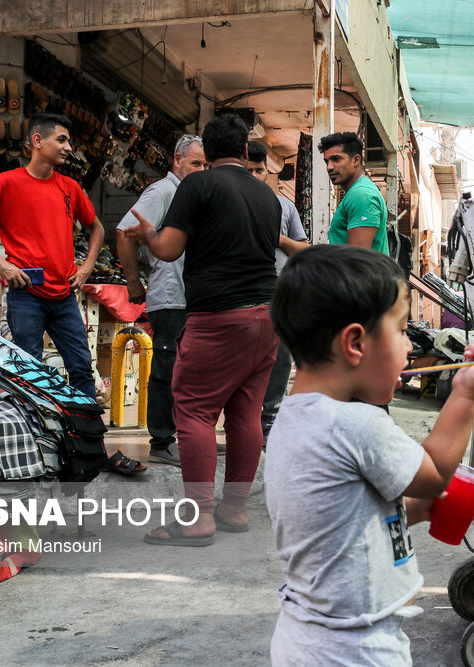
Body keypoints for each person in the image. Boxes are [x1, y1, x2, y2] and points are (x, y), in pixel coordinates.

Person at [264, 244, 474, 665]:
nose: (410, 348)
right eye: (400, 329)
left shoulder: (296, 419)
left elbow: (344, 517)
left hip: (307, 637)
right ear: (355, 342)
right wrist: (467, 393)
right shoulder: (355, 424)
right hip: (354, 647)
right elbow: (433, 474)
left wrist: (417, 508)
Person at [0, 111, 145, 475]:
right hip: (26, 296)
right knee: (28, 376)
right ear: (38, 141)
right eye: (62, 140)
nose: (69, 148)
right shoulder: (7, 183)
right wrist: (1, 263)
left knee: (82, 372)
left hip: (64, 297)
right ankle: (38, 454)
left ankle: (93, 452)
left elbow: (97, 227)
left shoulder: (69, 187)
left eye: (69, 141)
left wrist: (86, 267)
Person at [124, 115, 280, 546]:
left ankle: (198, 519)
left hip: (217, 317)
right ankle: (233, 510)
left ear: (207, 155)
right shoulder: (267, 195)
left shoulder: (199, 185)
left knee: (193, 413)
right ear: (246, 152)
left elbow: (168, 250)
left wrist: (147, 233)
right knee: (246, 415)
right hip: (266, 317)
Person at [115, 134, 206, 466]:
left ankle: (185, 438)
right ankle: (162, 440)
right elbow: (125, 231)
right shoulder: (163, 191)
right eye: (195, 163)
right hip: (169, 297)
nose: (200, 170)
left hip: (189, 297)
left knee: (190, 372)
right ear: (177, 161)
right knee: (167, 369)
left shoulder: (189, 194)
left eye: (205, 165)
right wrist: (132, 281)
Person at [245, 140, 309, 442]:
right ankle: (243, 422)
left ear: (267, 172)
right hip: (243, 289)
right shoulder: (233, 202)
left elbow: (302, 248)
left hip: (278, 289)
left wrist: (277, 238)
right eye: (249, 170)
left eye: (259, 170)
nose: (255, 175)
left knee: (280, 356)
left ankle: (269, 421)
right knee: (244, 356)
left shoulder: (284, 206)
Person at [319, 132, 389, 253]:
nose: (329, 167)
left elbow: (357, 261)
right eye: (327, 161)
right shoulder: (357, 192)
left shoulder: (361, 195)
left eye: (336, 159)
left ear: (356, 160)